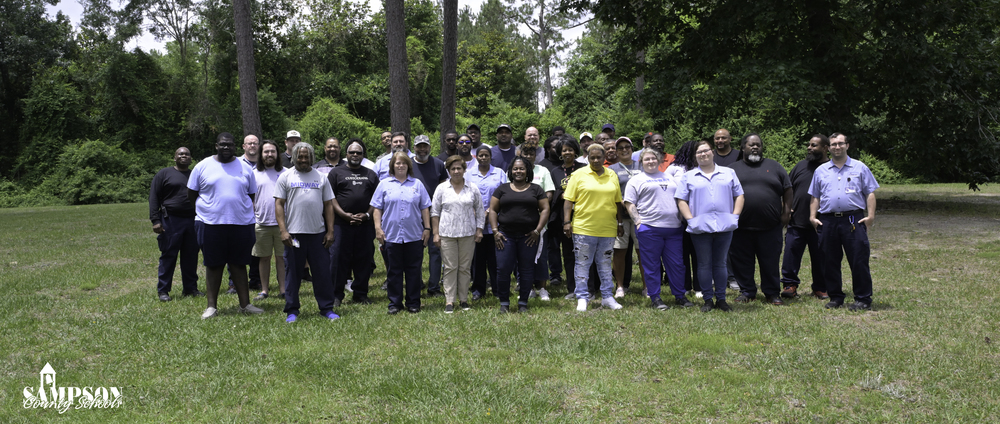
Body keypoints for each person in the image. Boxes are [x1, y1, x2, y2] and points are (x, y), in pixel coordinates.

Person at [186, 133, 263, 319]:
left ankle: (245, 304)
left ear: (236, 146)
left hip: (241, 223)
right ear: (216, 146)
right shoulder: (203, 166)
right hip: (210, 223)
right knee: (214, 264)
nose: (226, 147)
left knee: (239, 263)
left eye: (230, 144)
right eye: (223, 144)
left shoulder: (245, 167)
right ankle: (211, 307)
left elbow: (250, 194)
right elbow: (191, 194)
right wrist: (208, 210)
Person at [808, 133, 879, 311]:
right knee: (829, 261)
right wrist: (812, 216)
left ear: (847, 145)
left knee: (858, 260)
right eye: (833, 144)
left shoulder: (860, 167)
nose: (837, 147)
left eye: (840, 144)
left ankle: (863, 298)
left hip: (853, 219)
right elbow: (815, 196)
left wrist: (870, 217)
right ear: (828, 148)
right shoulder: (821, 170)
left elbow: (870, 193)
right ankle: (836, 297)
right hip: (827, 221)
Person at [675, 139, 745, 313]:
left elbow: (740, 195)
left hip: (724, 225)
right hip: (699, 227)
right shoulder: (688, 176)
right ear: (695, 156)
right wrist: (690, 219)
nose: (703, 154)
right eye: (699, 152)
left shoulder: (728, 173)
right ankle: (708, 299)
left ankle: (721, 298)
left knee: (720, 263)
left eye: (706, 151)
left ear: (712, 152)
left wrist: (735, 216)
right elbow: (681, 200)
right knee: (704, 264)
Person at [274, 142, 338, 322]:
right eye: (300, 156)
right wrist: (283, 231)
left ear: (311, 157)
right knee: (293, 273)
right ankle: (292, 310)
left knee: (322, 273)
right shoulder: (285, 177)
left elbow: (329, 205)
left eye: (306, 156)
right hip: (294, 235)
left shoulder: (321, 177)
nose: (303, 160)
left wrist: (330, 231)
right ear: (294, 157)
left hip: (318, 234)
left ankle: (326, 308)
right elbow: (279, 204)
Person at [729, 133, 792, 305]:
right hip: (741, 227)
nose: (755, 147)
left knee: (770, 261)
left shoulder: (775, 167)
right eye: (751, 145)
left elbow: (787, 189)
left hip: (770, 227)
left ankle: (772, 293)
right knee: (742, 261)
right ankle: (747, 291)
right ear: (743, 147)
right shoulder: (732, 169)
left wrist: (786, 212)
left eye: (758, 145)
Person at [562, 144, 625, 311]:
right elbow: (568, 201)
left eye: (599, 157)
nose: (596, 160)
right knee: (582, 263)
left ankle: (607, 297)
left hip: (607, 228)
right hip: (584, 228)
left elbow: (618, 201)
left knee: (604, 264)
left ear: (604, 158)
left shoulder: (612, 174)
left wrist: (620, 223)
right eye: (592, 158)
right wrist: (567, 222)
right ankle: (582, 297)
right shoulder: (578, 175)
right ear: (587, 158)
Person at [625, 148, 690, 309]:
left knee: (676, 265)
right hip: (650, 228)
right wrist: (638, 222)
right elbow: (629, 202)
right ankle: (655, 297)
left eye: (653, 159)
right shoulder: (636, 180)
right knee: (652, 265)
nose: (651, 162)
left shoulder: (670, 177)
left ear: (659, 160)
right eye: (647, 159)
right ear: (641, 162)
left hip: (673, 228)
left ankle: (680, 295)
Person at [372, 152, 432, 314]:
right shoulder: (384, 184)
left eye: (404, 163)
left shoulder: (417, 184)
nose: (400, 166)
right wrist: (378, 228)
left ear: (408, 166)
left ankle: (413, 302)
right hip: (391, 235)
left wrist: (427, 228)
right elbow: (377, 208)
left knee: (414, 271)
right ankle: (395, 303)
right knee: (394, 271)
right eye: (397, 163)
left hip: (414, 235)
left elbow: (425, 207)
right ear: (392, 166)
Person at [490, 157, 551, 312]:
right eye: (515, 169)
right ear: (511, 171)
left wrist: (537, 230)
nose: (518, 171)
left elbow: (545, 209)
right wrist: (495, 231)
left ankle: (523, 302)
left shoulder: (536, 189)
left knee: (526, 269)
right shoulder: (502, 189)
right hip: (505, 236)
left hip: (528, 237)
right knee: (503, 268)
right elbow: (493, 210)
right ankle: (504, 302)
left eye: (522, 168)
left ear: (527, 171)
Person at [328, 139, 380, 305]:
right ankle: (336, 295)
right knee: (338, 260)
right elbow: (330, 198)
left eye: (359, 153)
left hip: (364, 225)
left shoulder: (370, 174)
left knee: (364, 259)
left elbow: (376, 200)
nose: (355, 155)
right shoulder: (336, 173)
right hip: (341, 224)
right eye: (352, 152)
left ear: (363, 155)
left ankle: (361, 294)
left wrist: (367, 215)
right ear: (346, 154)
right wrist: (344, 215)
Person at [432, 156, 485, 313]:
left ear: (464, 170)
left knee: (464, 268)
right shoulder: (441, 188)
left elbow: (480, 210)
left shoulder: (472, 188)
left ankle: (463, 299)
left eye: (459, 168)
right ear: (448, 171)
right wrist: (435, 233)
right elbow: (434, 212)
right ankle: (449, 301)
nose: (456, 171)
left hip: (468, 233)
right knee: (450, 267)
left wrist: (479, 229)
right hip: (447, 233)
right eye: (453, 169)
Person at [781, 134, 830, 299]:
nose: (809, 148)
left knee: (821, 256)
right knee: (791, 254)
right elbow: (787, 188)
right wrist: (786, 208)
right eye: (809, 145)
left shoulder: (831, 167)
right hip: (797, 220)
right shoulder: (800, 166)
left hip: (821, 221)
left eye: (814, 145)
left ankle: (820, 287)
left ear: (825, 148)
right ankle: (789, 285)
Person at [149, 147, 202, 301]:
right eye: (180, 154)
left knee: (191, 256)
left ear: (191, 158)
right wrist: (155, 220)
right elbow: (154, 197)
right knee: (168, 255)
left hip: (193, 220)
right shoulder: (164, 174)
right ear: (175, 157)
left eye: (187, 154)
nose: (184, 156)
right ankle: (163, 291)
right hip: (170, 220)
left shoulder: (195, 174)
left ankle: (190, 288)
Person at [516, 129, 555, 301]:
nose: (529, 155)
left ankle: (542, 288)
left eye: (532, 153)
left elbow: (549, 193)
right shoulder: (515, 170)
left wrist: (536, 207)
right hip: (519, 220)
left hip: (539, 220)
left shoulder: (543, 170)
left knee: (541, 255)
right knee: (522, 255)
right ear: (520, 153)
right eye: (526, 152)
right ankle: (527, 286)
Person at [466, 145, 507, 300]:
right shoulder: (469, 175)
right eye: (480, 155)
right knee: (478, 259)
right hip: (475, 224)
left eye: (486, 155)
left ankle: (497, 289)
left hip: (495, 223)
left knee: (495, 258)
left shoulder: (499, 173)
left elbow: (504, 193)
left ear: (490, 157)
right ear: (477, 157)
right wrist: (477, 214)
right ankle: (478, 289)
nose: (483, 158)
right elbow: (466, 195)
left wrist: (490, 211)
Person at [412, 135, 449, 297]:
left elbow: (444, 188)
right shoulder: (408, 164)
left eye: (425, 146)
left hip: (435, 214)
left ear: (430, 147)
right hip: (414, 214)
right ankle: (416, 283)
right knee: (415, 252)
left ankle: (434, 287)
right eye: (419, 146)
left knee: (436, 252)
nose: (422, 149)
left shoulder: (439, 165)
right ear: (414, 148)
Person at [549, 137, 585, 298]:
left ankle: (589, 287)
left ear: (576, 151)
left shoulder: (584, 168)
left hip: (584, 216)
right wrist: (563, 194)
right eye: (564, 150)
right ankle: (572, 288)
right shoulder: (555, 172)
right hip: (564, 219)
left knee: (584, 254)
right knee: (569, 254)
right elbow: (554, 193)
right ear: (559, 153)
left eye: (570, 149)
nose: (567, 152)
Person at [607, 136, 643, 298]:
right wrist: (625, 202)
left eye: (626, 146)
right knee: (619, 252)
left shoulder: (641, 166)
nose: (623, 150)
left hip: (641, 216)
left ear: (632, 148)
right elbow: (611, 191)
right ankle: (620, 286)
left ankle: (647, 286)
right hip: (620, 216)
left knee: (643, 252)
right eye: (620, 147)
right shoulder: (612, 169)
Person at [251, 140, 286, 301]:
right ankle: (264, 290)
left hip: (283, 225)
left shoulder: (286, 173)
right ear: (261, 154)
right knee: (263, 258)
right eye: (266, 152)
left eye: (272, 151)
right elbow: (249, 198)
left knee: (281, 258)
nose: (269, 154)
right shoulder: (253, 173)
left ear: (277, 154)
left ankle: (283, 289)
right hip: (261, 223)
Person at [666, 141, 701, 297]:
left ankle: (699, 287)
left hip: (700, 216)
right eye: (696, 152)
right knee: (682, 254)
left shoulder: (703, 168)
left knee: (699, 253)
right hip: (679, 217)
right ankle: (686, 285)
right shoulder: (674, 169)